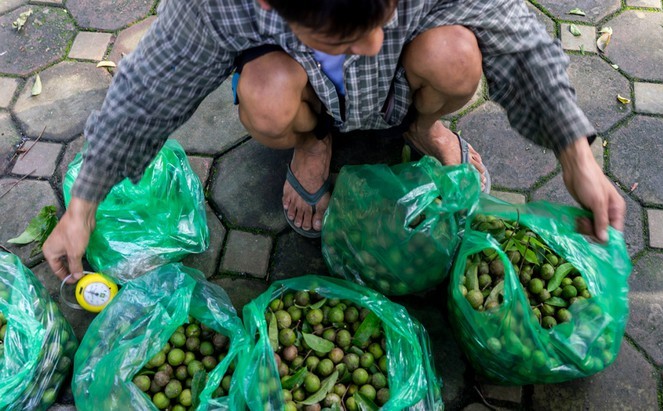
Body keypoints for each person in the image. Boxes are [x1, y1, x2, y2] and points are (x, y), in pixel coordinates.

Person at [43, 0, 625, 282]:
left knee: (457, 56)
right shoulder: (221, 4)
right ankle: (313, 139)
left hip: (404, 82)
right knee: (266, 99)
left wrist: (575, 152)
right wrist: (83, 202)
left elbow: (521, 37)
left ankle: (423, 126)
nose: (373, 43)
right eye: (344, 36)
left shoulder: (384, 38)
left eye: (384, 15)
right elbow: (148, 86)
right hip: (300, 88)